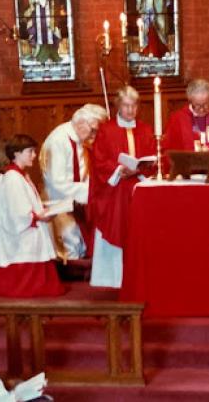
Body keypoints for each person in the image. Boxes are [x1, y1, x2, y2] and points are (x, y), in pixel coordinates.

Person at [0, 134, 64, 297]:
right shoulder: (12, 178)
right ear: (16, 153)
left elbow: (27, 203)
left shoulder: (21, 175)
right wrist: (40, 217)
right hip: (21, 232)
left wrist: (44, 209)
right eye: (30, 151)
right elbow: (18, 214)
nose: (34, 155)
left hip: (29, 225)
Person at [88, 86, 155, 288]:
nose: (130, 110)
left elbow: (153, 157)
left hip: (139, 188)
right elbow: (99, 160)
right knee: (115, 226)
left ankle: (140, 276)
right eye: (126, 105)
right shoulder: (106, 130)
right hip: (115, 192)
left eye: (134, 106)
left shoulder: (145, 129)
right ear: (118, 105)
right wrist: (119, 169)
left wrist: (139, 169)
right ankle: (112, 279)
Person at [40, 103, 107, 260]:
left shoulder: (80, 140)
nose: (95, 136)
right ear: (81, 123)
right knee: (71, 238)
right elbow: (57, 183)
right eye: (94, 130)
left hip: (77, 199)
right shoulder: (58, 140)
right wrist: (90, 191)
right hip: (58, 201)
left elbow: (85, 172)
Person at [163, 79, 209, 165]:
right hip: (187, 172)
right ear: (190, 101)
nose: (202, 109)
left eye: (206, 104)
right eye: (197, 106)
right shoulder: (178, 119)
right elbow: (171, 149)